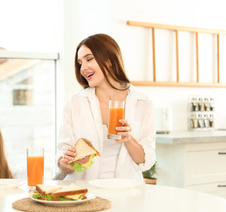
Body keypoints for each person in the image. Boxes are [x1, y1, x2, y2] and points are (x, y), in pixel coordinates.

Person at [57, 33, 156, 181]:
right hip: (85, 193)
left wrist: (128, 138)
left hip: (125, 192)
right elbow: (62, 158)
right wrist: (66, 162)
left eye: (89, 59)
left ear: (109, 59)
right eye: (80, 63)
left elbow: (145, 161)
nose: (83, 68)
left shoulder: (143, 103)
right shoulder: (74, 103)